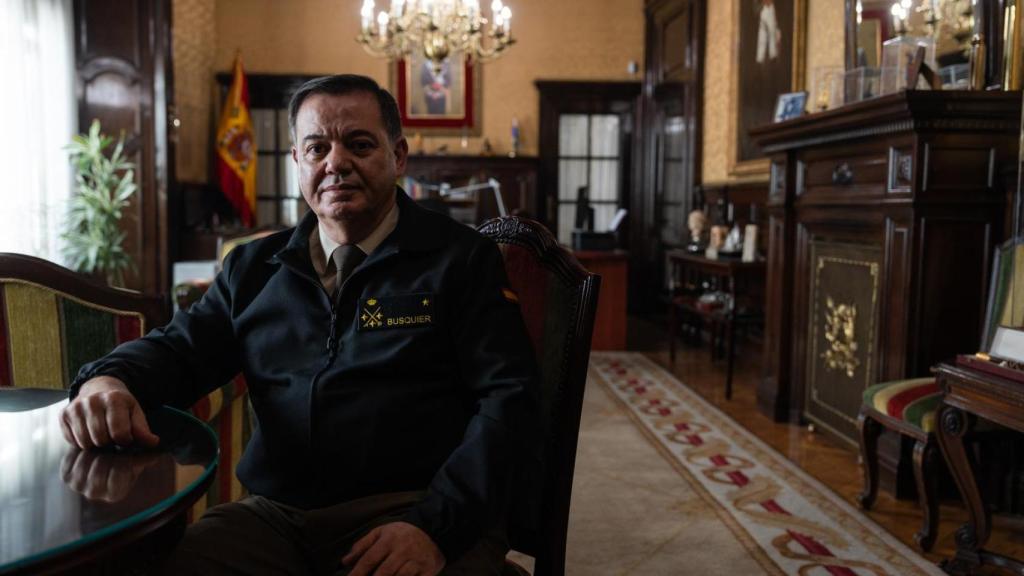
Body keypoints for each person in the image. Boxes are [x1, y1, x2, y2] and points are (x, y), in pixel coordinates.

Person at [59, 74, 539, 576]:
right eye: (317, 148)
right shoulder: (252, 269)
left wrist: (435, 527)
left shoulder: (460, 260)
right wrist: (109, 377)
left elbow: (510, 399)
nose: (336, 163)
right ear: (297, 162)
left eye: (358, 144)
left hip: (413, 509)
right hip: (276, 518)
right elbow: (179, 351)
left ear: (398, 156)